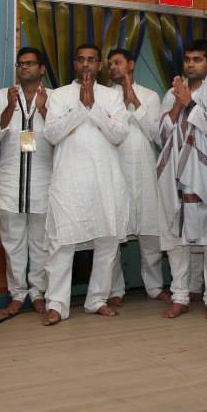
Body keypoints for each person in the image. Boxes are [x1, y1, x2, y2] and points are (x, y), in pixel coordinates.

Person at [42, 44, 130, 326]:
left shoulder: (112, 96)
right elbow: (51, 134)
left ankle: (97, 300)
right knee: (62, 243)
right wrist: (81, 107)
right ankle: (57, 304)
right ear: (74, 64)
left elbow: (119, 134)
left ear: (99, 65)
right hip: (69, 180)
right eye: (81, 59)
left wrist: (93, 107)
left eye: (92, 60)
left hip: (105, 180)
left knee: (107, 241)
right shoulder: (59, 95)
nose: (86, 65)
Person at [156, 40, 207, 319]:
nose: (190, 64)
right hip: (177, 172)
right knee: (177, 239)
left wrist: (191, 103)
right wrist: (178, 104)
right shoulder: (172, 93)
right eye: (187, 59)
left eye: (197, 59)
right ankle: (180, 296)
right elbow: (159, 134)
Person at [0, 47, 54, 316]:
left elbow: (60, 134)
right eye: (20, 64)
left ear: (42, 69)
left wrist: (44, 109)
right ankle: (17, 294)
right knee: (12, 242)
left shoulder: (54, 97)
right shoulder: (2, 96)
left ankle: (38, 293)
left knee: (40, 244)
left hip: (42, 182)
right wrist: (9, 108)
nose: (24, 67)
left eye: (30, 63)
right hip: (11, 182)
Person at [106, 48, 166, 303]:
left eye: (117, 62)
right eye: (110, 64)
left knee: (150, 233)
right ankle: (115, 290)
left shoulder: (150, 96)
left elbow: (157, 135)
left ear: (130, 65)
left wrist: (135, 102)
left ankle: (155, 287)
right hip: (114, 171)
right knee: (113, 236)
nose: (113, 67)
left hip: (144, 171)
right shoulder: (104, 96)